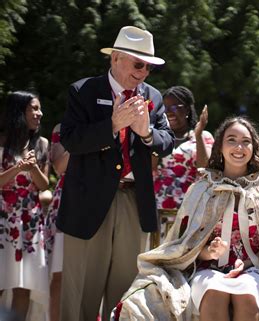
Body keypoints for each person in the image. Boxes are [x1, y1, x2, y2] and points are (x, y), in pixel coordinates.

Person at [112, 116, 259, 321]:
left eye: (245, 141)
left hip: (255, 270)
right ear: (220, 146)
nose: (239, 147)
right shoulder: (202, 190)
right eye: (231, 140)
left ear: (254, 147)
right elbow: (186, 246)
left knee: (247, 295)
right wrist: (209, 252)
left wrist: (247, 263)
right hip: (208, 270)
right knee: (213, 293)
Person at [56, 26, 174, 321]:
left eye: (149, 66)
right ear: (116, 58)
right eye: (138, 64)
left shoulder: (154, 97)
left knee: (126, 292)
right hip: (87, 203)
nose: (144, 71)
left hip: (135, 201)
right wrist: (111, 125)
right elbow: (70, 140)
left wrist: (147, 133)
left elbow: (167, 142)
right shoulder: (84, 91)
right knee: (82, 289)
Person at [0, 91, 49, 321]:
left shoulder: (41, 144)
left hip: (29, 221)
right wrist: (18, 168)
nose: (39, 114)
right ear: (19, 111)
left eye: (39, 109)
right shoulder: (0, 141)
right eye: (34, 109)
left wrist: (33, 168)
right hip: (3, 220)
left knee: (23, 283)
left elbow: (43, 184)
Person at [151, 86, 214, 247]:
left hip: (190, 213)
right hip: (157, 212)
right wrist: (154, 137)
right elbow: (150, 169)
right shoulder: (157, 136)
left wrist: (199, 134)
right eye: (164, 108)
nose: (169, 112)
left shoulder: (202, 137)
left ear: (187, 110)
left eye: (174, 107)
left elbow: (206, 169)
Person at [43, 123, 68, 321]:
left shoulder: (113, 123)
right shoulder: (62, 128)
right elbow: (60, 166)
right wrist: (88, 136)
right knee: (60, 274)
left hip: (102, 202)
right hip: (67, 203)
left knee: (94, 273)